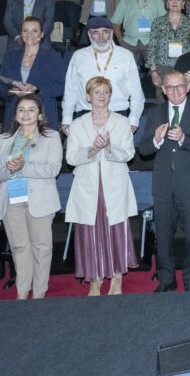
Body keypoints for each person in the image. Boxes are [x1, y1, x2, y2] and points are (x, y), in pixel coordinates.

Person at [136, 70, 190, 293]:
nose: (175, 91)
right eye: (170, 87)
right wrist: (156, 140)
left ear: (188, 87)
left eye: (180, 86)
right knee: (164, 233)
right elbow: (143, 149)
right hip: (163, 183)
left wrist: (184, 139)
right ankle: (166, 278)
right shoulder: (156, 112)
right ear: (163, 90)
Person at [65, 76, 139, 295]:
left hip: (114, 183)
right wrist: (91, 150)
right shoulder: (77, 125)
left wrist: (108, 147)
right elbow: (70, 158)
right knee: (89, 231)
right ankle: (94, 279)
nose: (101, 96)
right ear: (88, 97)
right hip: (87, 185)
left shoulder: (122, 122)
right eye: (96, 92)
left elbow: (129, 153)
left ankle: (117, 277)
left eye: (105, 92)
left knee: (115, 229)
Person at [0, 94, 62, 300]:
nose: (25, 113)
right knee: (19, 247)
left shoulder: (51, 136)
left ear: (39, 115)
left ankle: (38, 293)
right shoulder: (4, 138)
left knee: (41, 248)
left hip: (40, 198)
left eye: (31, 110)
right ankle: (22, 293)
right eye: (21, 109)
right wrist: (9, 170)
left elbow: (53, 169)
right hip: (11, 198)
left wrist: (24, 167)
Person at [62, 17, 143, 132]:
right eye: (96, 32)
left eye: (105, 32)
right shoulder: (78, 56)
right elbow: (70, 90)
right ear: (89, 35)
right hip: (85, 114)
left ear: (111, 33)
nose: (101, 38)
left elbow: (136, 92)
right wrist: (67, 119)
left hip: (117, 114)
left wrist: (133, 120)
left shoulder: (126, 56)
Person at [0, 17, 65, 130]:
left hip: (43, 114)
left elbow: (61, 87)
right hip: (14, 115)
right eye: (25, 30)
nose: (29, 34)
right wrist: (11, 92)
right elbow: (0, 86)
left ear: (42, 34)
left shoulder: (53, 57)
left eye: (34, 30)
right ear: (21, 33)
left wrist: (36, 89)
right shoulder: (9, 56)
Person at [109, 0, 165, 68]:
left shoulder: (157, 1)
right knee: (127, 72)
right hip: (128, 43)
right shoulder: (124, 1)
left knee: (155, 73)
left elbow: (164, 23)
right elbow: (115, 23)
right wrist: (120, 40)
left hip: (150, 43)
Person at [147, 0, 190, 81]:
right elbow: (152, 47)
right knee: (162, 94)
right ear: (167, 4)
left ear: (183, 3)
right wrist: (153, 71)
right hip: (162, 67)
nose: (175, 2)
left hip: (184, 67)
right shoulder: (157, 22)